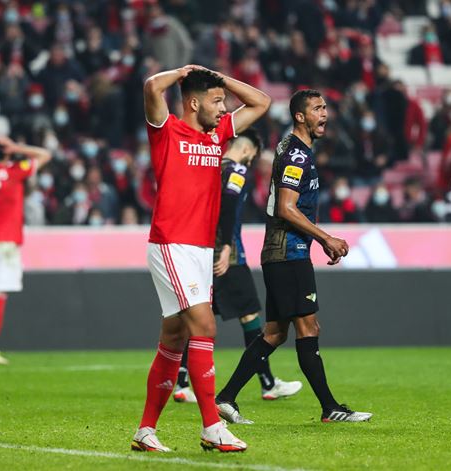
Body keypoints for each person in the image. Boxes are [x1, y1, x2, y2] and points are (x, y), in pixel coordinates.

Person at [131, 66, 270, 453]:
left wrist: (221, 80)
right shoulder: (167, 129)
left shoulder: (218, 134)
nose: (224, 107)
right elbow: (150, 87)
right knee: (204, 325)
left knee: (174, 337)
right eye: (216, 101)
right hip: (171, 243)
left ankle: (145, 431)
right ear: (193, 103)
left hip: (200, 249)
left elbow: (262, 102)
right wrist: (183, 71)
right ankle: (212, 425)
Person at [214, 89, 372, 426]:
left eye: (325, 107)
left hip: (282, 252)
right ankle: (330, 408)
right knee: (307, 326)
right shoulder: (297, 156)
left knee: (274, 333)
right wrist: (325, 237)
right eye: (317, 108)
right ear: (300, 116)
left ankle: (226, 398)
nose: (324, 114)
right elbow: (286, 207)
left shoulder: (293, 149)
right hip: (288, 252)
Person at [172, 131, 303, 405]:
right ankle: (268, 383)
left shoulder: (209, 167)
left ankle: (183, 382)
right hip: (228, 256)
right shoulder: (237, 170)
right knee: (250, 316)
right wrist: (228, 247)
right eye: (254, 155)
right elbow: (229, 208)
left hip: (201, 251)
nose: (253, 160)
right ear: (248, 151)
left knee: (196, 315)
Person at [0, 136, 51, 365]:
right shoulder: (14, 171)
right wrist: (16, 147)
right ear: (6, 153)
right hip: (4, 240)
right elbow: (45, 155)